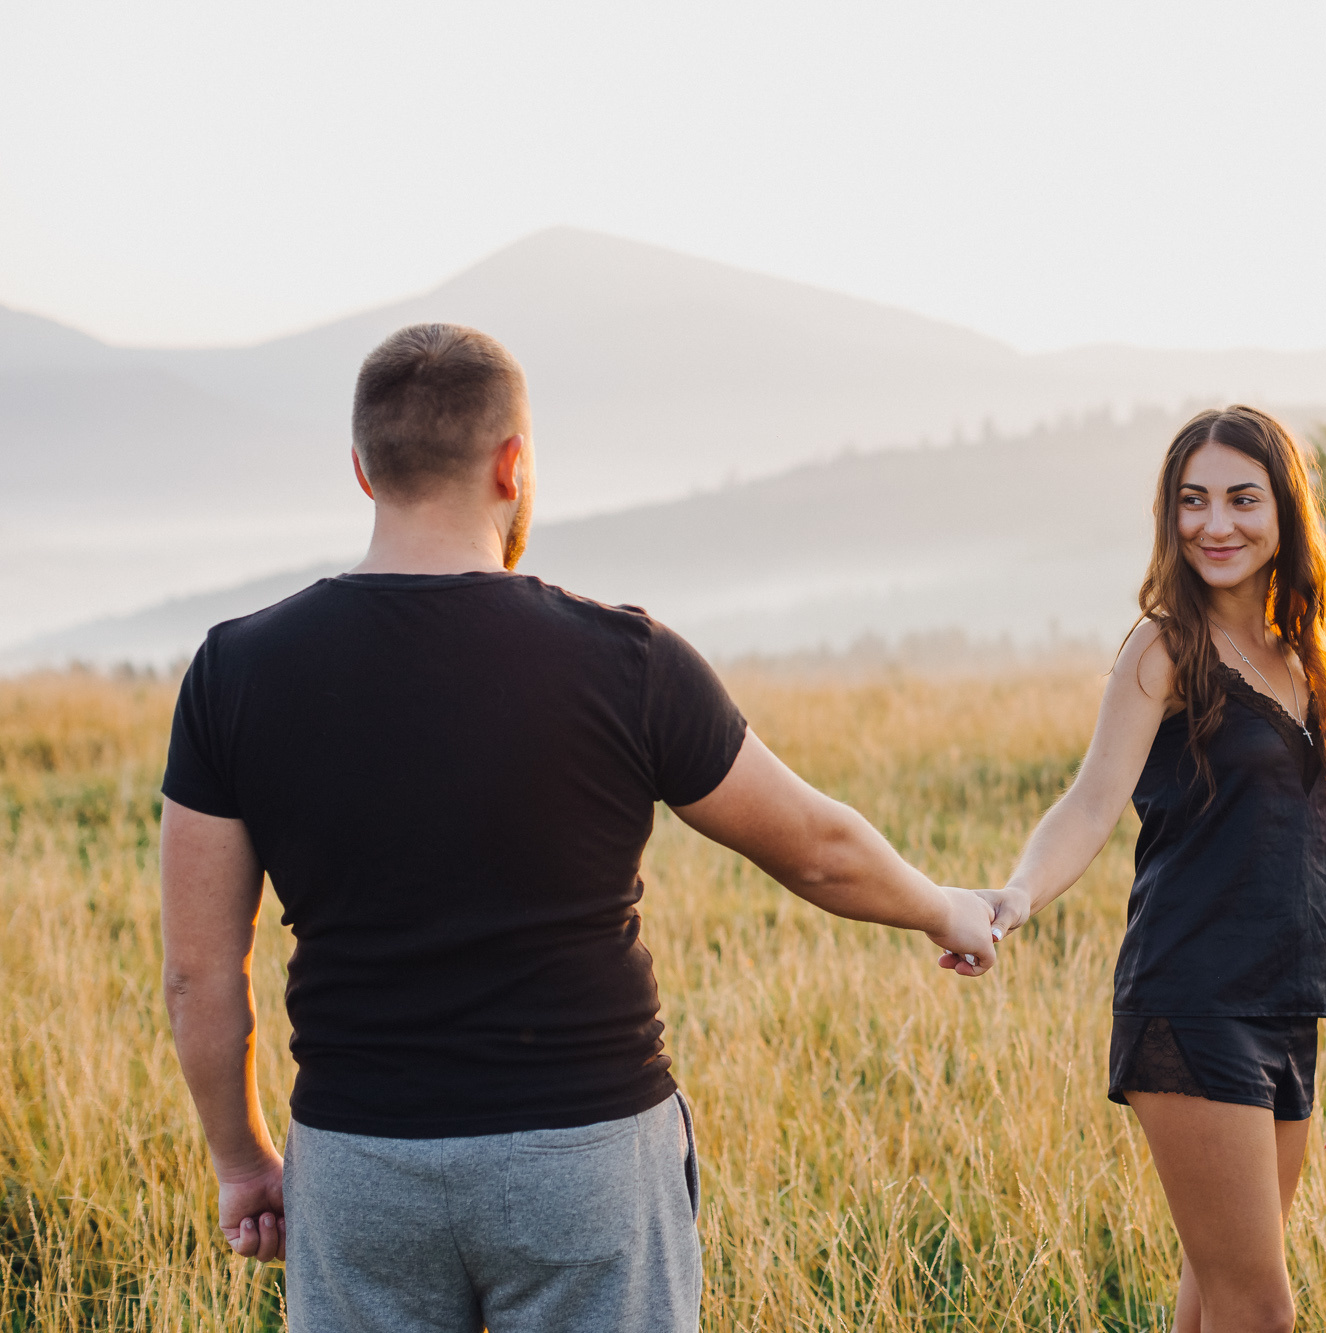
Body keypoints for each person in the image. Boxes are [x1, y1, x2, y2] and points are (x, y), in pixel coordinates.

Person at [158, 322, 1001, 1333]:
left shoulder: (236, 670)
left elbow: (199, 971)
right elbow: (817, 848)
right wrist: (941, 907)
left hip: (359, 1158)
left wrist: (243, 1158)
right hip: (585, 1155)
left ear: (362, 470)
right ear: (513, 464)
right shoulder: (624, 660)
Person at [974, 405, 1326, 1333]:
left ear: (1284, 512)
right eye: (1192, 501)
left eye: (1243, 498)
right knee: (1261, 1311)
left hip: (1288, 1011)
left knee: (1213, 1303)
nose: (1216, 523)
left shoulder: (1307, 659)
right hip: (1192, 1005)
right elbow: (1089, 801)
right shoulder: (1163, 649)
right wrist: (1018, 894)